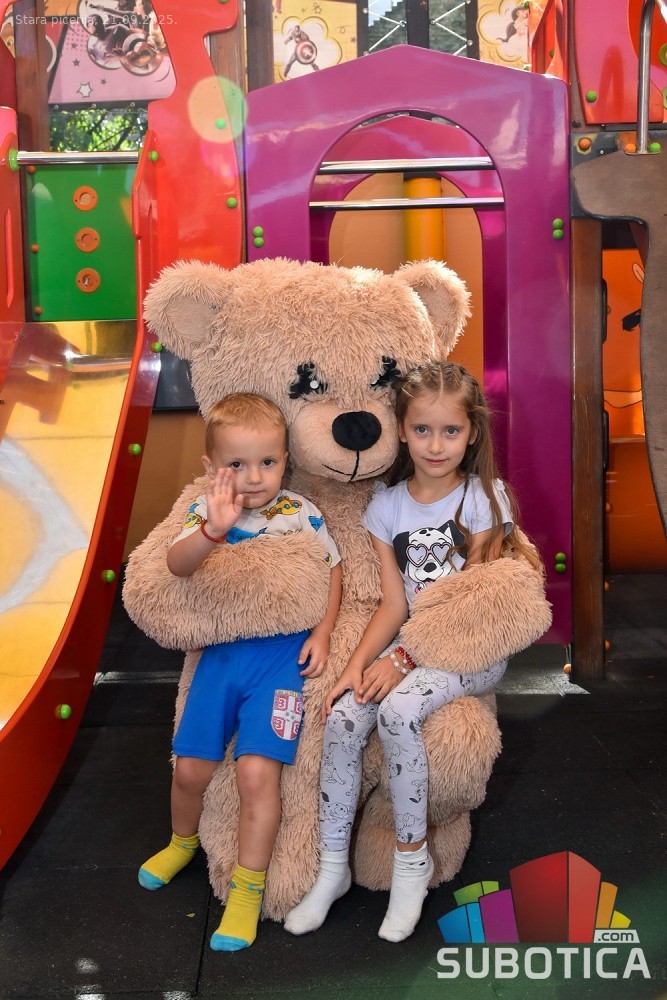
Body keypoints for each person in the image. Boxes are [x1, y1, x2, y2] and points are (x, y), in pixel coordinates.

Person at [284, 361, 540, 943]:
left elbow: (472, 604)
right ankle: (332, 869)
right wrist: (354, 669)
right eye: (422, 430)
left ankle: (410, 863)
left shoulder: (484, 499)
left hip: (470, 645)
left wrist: (402, 661)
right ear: (401, 430)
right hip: (413, 644)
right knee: (343, 715)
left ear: (472, 433)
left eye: (450, 431)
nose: (435, 445)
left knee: (398, 712)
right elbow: (394, 605)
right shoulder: (387, 507)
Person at [138, 392, 342, 952]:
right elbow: (176, 566)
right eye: (237, 464)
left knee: (257, 775)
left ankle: (247, 892)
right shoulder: (206, 509)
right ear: (212, 467)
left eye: (268, 462)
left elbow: (332, 571)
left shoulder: (300, 513)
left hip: (280, 666)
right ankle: (182, 842)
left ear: (285, 461)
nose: (254, 478)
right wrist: (213, 530)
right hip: (220, 662)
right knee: (190, 770)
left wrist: (323, 633)